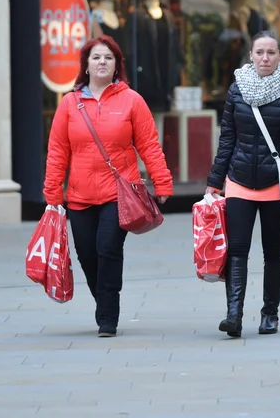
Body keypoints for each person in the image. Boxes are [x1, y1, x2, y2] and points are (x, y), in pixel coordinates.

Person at [43, 35, 173, 337]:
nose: (102, 62)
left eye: (109, 58)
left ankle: (107, 315)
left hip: (119, 194)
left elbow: (149, 146)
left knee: (108, 249)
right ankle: (104, 300)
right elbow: (58, 150)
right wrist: (53, 192)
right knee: (87, 255)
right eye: (96, 57)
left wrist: (162, 182)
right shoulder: (69, 104)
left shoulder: (132, 101)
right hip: (79, 196)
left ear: (117, 67)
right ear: (86, 66)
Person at [206, 30, 280, 338]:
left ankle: (270, 313)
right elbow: (227, 139)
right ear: (250, 55)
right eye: (260, 52)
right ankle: (233, 315)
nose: (265, 58)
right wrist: (215, 181)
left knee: (273, 249)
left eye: (271, 53)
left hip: (275, 183)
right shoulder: (237, 91)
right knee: (236, 249)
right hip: (238, 180)